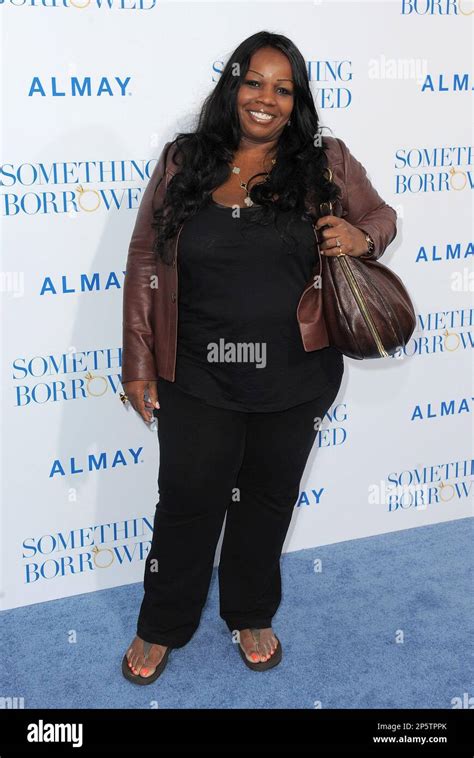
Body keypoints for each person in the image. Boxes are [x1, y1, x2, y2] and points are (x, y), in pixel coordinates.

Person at [120, 31, 397, 684]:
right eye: (254, 82)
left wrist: (361, 236)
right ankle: (161, 624)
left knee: (268, 501)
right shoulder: (185, 160)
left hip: (297, 377)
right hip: (197, 374)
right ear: (233, 86)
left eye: (283, 88)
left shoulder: (326, 161)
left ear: (297, 101)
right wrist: (138, 361)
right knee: (188, 501)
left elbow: (382, 216)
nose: (266, 98)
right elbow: (144, 257)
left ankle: (250, 612)